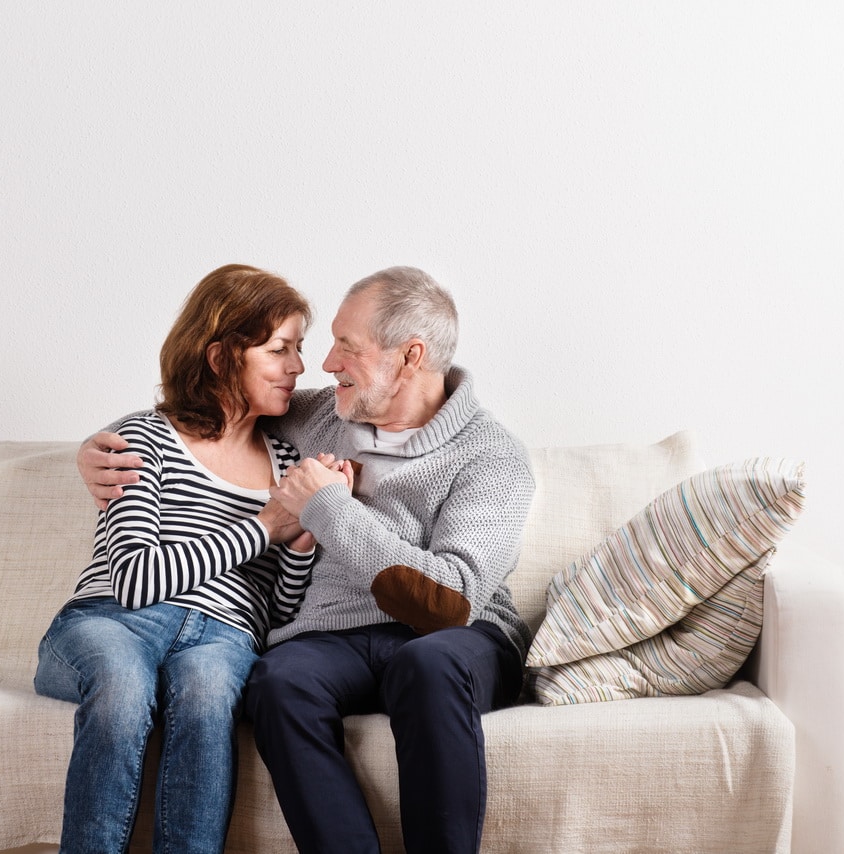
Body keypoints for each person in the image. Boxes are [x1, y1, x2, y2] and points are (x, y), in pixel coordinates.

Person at [79, 266, 535, 854]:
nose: (324, 364)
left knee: (426, 667)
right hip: (334, 637)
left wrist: (326, 507)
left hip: (454, 638)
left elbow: (449, 603)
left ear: (409, 357)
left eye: (347, 346)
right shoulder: (324, 413)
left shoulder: (491, 456)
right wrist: (99, 447)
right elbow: (208, 408)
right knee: (278, 681)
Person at [36, 264, 331, 854]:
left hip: (224, 636)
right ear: (221, 357)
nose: (298, 367)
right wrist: (267, 526)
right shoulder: (144, 439)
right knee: (123, 684)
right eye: (279, 350)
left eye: (298, 349)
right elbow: (135, 580)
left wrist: (298, 545)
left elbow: (271, 614)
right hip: (111, 621)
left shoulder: (285, 460)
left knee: (207, 697)